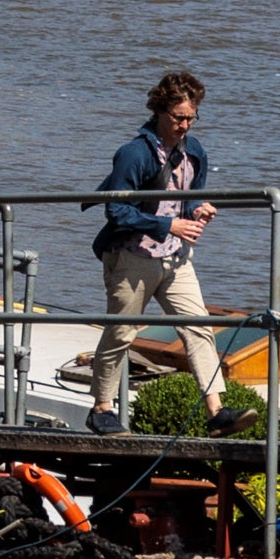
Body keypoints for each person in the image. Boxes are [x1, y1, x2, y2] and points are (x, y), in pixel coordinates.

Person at [87, 70, 217, 433]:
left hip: (175, 258)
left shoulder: (196, 152)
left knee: (200, 328)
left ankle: (216, 411)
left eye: (191, 117)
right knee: (122, 333)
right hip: (132, 256)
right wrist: (169, 225)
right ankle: (101, 408)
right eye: (179, 118)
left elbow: (188, 201)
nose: (186, 126)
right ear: (160, 111)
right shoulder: (133, 154)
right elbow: (117, 210)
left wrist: (198, 210)